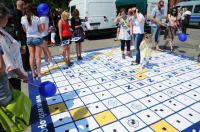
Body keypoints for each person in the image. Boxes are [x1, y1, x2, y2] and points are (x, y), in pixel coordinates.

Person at [0, 3, 27, 91]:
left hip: (13, 74)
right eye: (7, 17)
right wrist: (22, 75)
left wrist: (18, 49)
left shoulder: (2, 30)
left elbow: (9, 47)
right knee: (16, 100)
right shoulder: (0, 36)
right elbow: (8, 60)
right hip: (11, 76)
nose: (8, 19)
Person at [21, 4, 44, 78]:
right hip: (37, 38)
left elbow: (25, 30)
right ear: (32, 10)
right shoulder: (36, 18)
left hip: (29, 38)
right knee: (38, 57)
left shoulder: (22, 18)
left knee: (31, 56)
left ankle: (33, 73)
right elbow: (40, 30)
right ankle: (39, 73)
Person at [13, 0, 31, 71]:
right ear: (22, 6)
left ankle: (26, 65)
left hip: (21, 35)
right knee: (24, 51)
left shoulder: (17, 12)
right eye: (24, 5)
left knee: (25, 51)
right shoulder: (18, 13)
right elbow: (19, 25)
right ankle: (26, 67)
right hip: (21, 35)